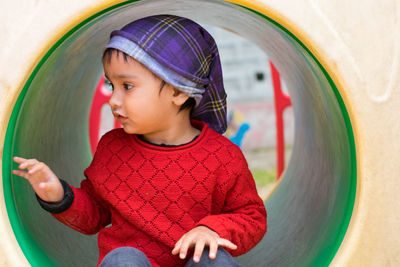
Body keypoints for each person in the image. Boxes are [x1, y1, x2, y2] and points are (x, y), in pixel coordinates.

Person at [12, 14, 267, 267]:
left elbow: (251, 217)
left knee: (214, 261)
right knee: (123, 259)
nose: (113, 99)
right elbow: (95, 213)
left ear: (178, 91)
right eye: (112, 85)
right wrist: (59, 196)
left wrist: (212, 229)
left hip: (195, 263)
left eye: (128, 86)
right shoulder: (113, 148)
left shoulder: (222, 156)